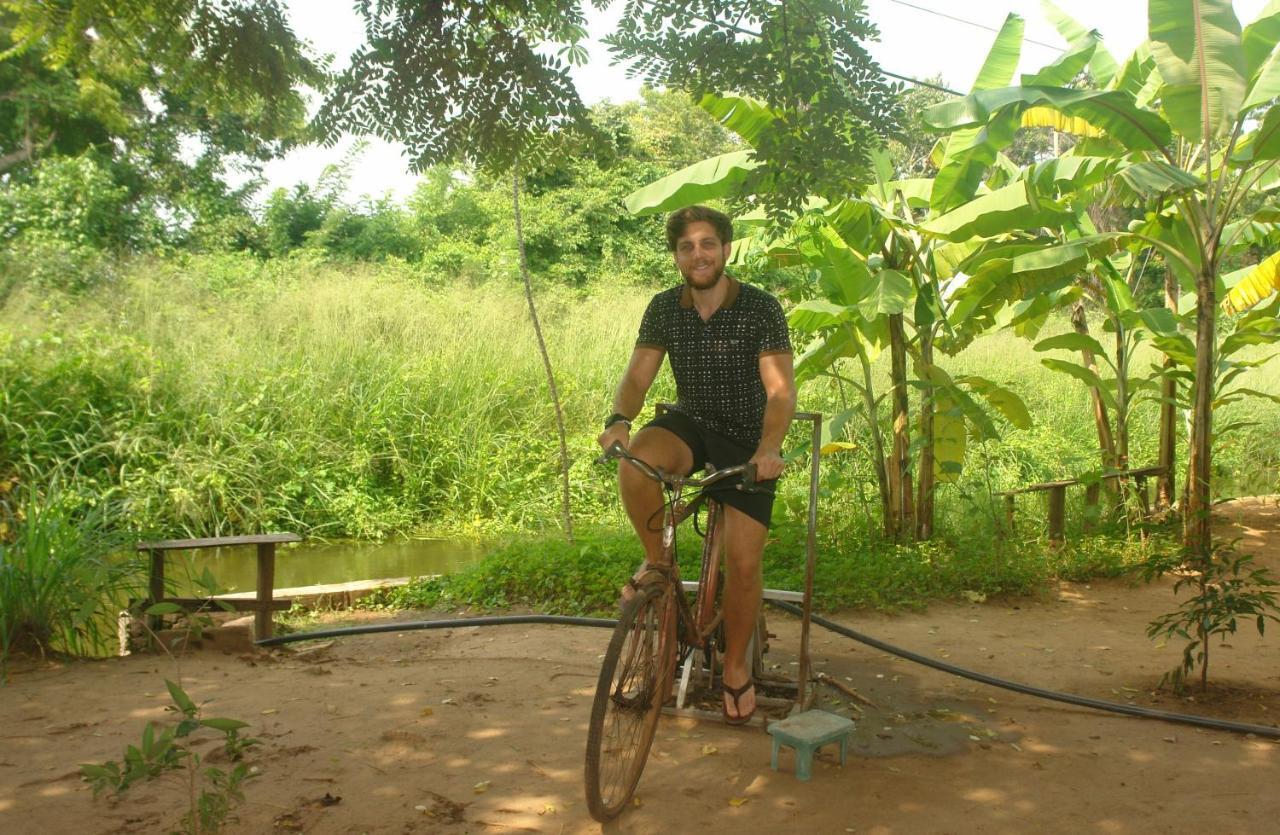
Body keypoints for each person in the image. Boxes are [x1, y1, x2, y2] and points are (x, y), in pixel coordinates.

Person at [597, 205, 797, 725]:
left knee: (745, 566)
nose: (698, 255)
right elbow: (639, 377)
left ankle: (734, 668)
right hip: (690, 424)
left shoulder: (759, 307)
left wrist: (768, 449)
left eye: (708, 244)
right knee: (636, 460)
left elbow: (780, 392)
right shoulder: (664, 307)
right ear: (677, 256)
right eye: (686, 247)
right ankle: (657, 565)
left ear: (726, 249)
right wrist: (619, 418)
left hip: (746, 440)